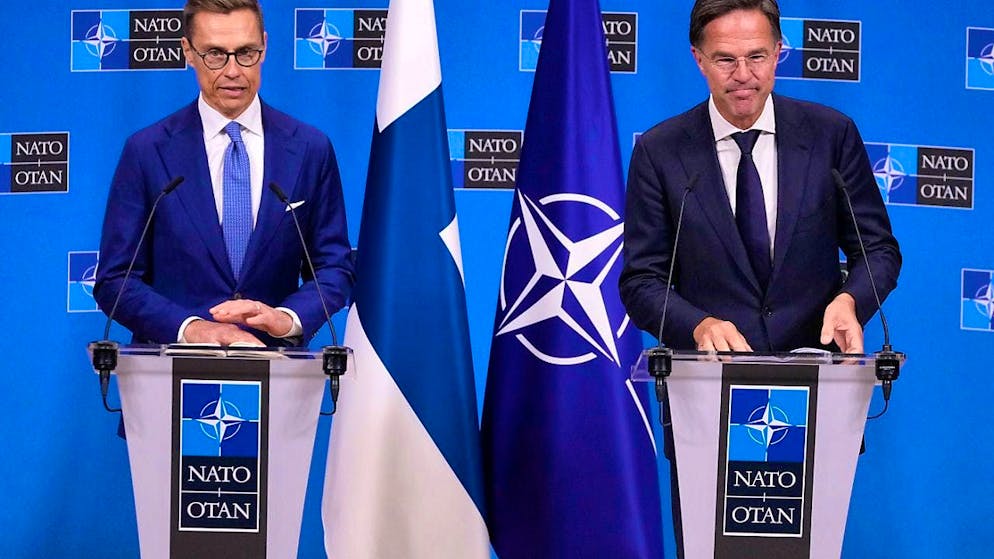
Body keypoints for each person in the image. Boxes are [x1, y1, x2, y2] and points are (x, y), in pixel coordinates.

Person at [620, 0, 900, 355]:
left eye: (757, 56)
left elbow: (877, 250)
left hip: (812, 369)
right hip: (707, 379)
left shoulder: (830, 136)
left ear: (778, 52)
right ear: (698, 59)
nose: (743, 74)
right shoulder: (660, 151)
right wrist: (698, 326)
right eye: (725, 59)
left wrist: (850, 301)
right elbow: (642, 280)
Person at [94, 0, 354, 347]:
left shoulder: (309, 149)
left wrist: (285, 319)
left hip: (275, 370)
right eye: (215, 54)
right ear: (188, 51)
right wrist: (192, 329)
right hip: (170, 374)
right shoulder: (148, 151)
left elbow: (334, 269)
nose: (233, 70)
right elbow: (115, 280)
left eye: (246, 52)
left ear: (264, 46)